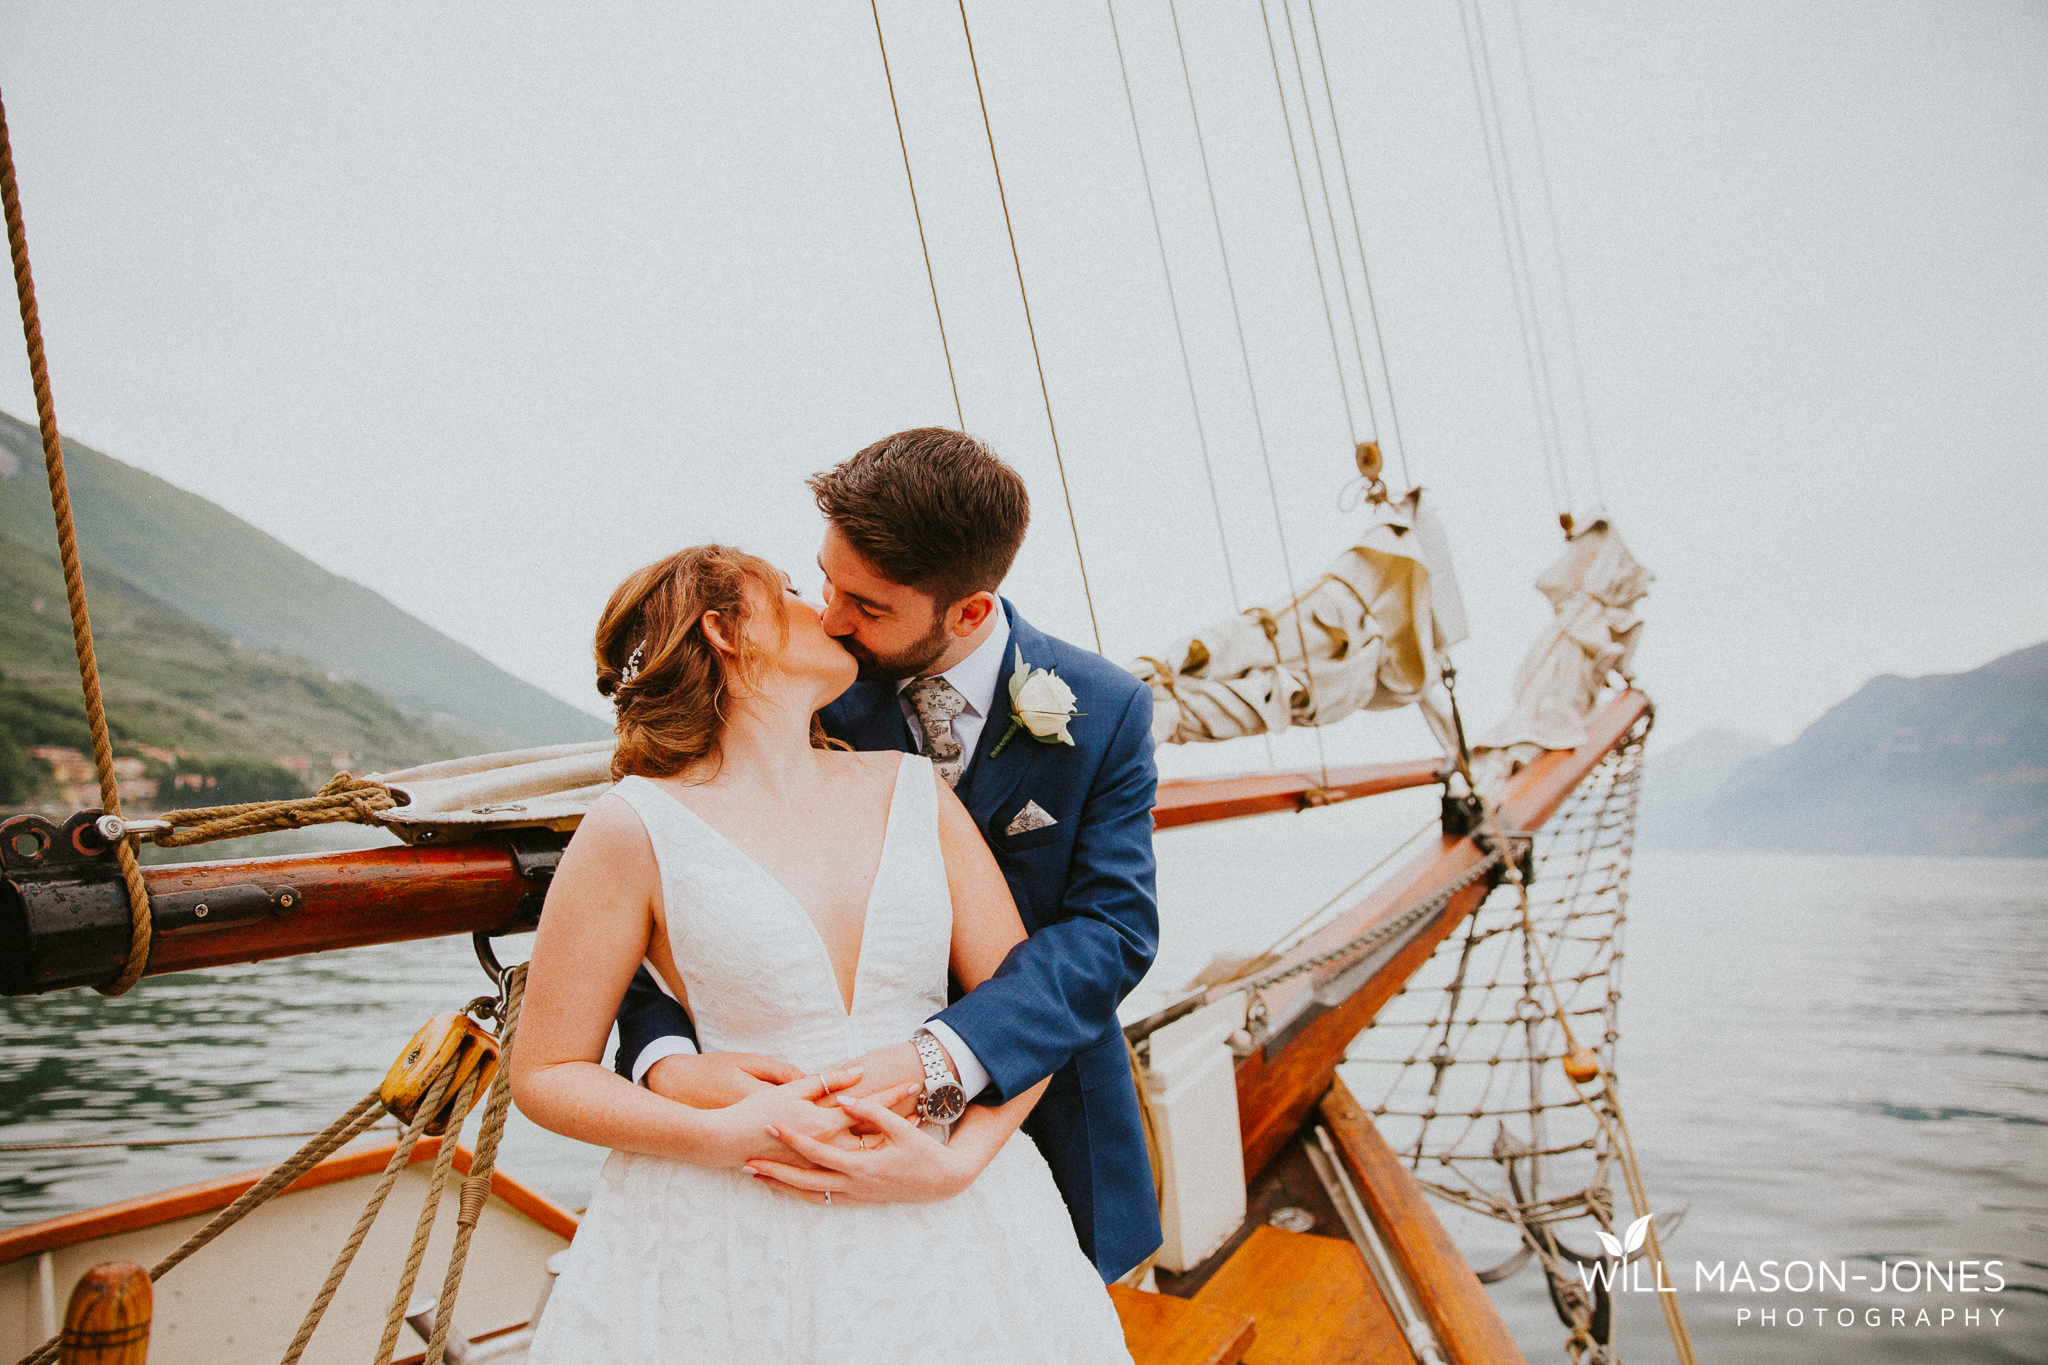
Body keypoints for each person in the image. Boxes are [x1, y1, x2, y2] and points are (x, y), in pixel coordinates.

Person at [513, 543, 1134, 1362]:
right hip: (728, 1229)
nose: (825, 611)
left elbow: (1028, 1004)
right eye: (791, 592)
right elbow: (547, 1072)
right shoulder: (632, 826)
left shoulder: (916, 789)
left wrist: (963, 1159)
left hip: (955, 1210)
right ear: (726, 631)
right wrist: (726, 1131)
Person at [611, 429, 1163, 1283]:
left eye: (866, 605)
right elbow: (683, 899)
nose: (833, 617)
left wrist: (944, 1063)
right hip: (786, 1137)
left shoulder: (1107, 708)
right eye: (825, 582)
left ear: (969, 611)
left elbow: (1111, 931)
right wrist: (670, 1064)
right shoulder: (801, 684)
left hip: (1036, 1113)